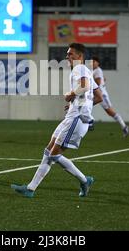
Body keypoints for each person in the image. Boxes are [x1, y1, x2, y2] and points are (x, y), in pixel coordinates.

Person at [11, 43, 103, 198]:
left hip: (77, 119)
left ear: (79, 56)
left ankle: (84, 180)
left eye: (70, 54)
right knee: (48, 151)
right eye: (67, 54)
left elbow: (85, 87)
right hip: (73, 116)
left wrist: (71, 95)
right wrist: (75, 102)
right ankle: (30, 188)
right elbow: (98, 97)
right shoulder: (85, 70)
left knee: (53, 155)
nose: (67, 56)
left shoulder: (79, 69)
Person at [90, 56, 129, 137]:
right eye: (91, 62)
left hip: (101, 95)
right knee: (88, 106)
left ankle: (124, 126)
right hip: (98, 94)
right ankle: (89, 122)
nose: (92, 63)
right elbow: (103, 79)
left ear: (98, 63)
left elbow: (98, 83)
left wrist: (91, 87)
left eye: (94, 62)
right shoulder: (96, 71)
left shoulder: (97, 71)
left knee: (110, 112)